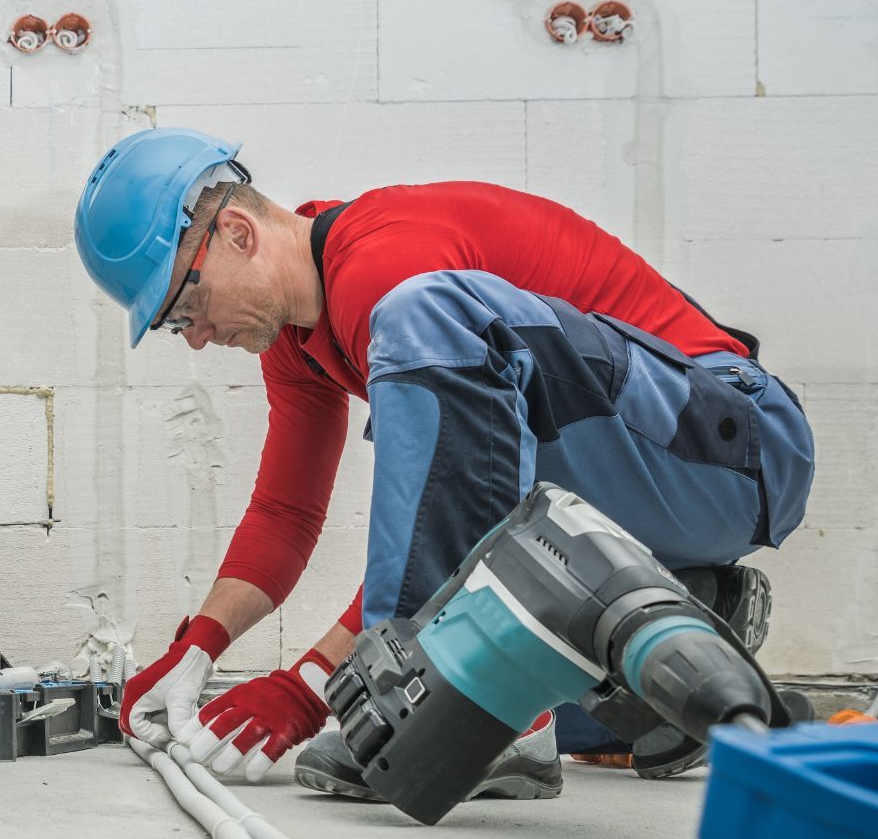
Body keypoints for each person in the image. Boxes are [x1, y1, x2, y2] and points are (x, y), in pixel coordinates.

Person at [74, 128, 815, 799]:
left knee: (422, 317)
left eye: (185, 305)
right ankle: (690, 611)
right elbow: (286, 512)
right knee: (542, 688)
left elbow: (447, 499)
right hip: (648, 481)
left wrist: (311, 687)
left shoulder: (385, 271)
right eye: (174, 326)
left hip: (740, 446)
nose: (195, 336)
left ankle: (464, 707)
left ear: (236, 233)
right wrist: (197, 649)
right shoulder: (298, 336)